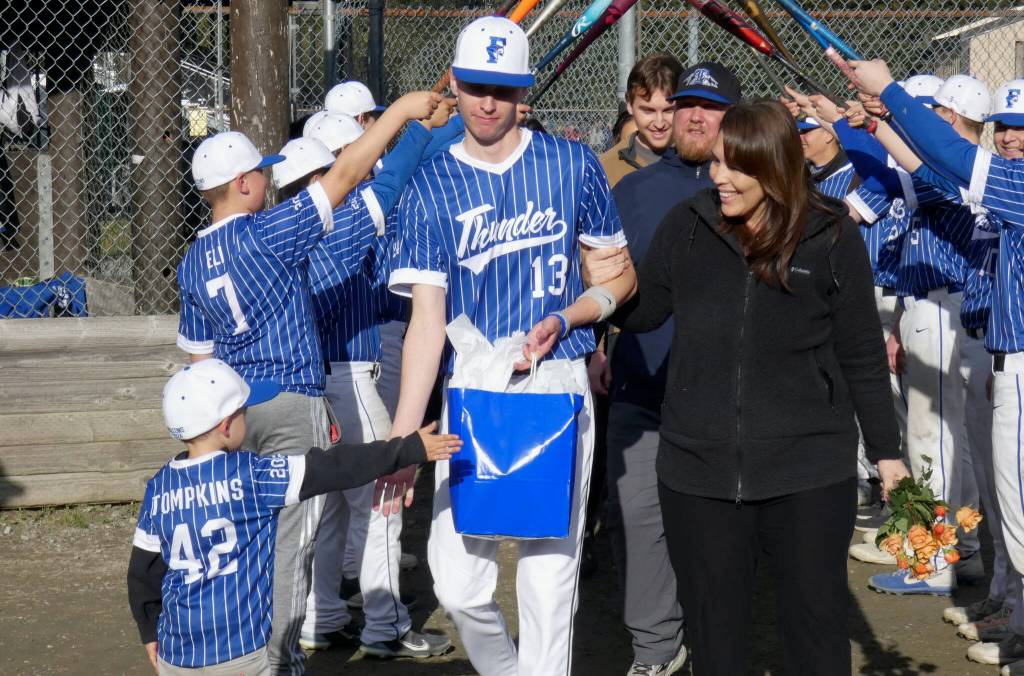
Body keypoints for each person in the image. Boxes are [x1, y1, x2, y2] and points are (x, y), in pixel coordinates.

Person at [611, 100, 906, 676]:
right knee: (715, 638)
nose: (716, 176)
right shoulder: (688, 224)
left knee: (816, 629)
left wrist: (887, 453)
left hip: (809, 469)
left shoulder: (830, 233)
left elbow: (861, 354)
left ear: (771, 165)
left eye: (732, 165)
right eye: (715, 162)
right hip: (698, 469)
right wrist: (604, 285)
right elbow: (644, 312)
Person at [383, 16, 636, 675]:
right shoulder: (430, 184)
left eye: (503, 88)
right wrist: (403, 439)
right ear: (455, 86)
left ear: (525, 90)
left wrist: (577, 317)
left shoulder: (571, 165)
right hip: (472, 385)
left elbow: (617, 275)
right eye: (475, 87)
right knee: (457, 582)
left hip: (556, 380)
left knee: (549, 578)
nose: (488, 103)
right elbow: (426, 322)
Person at [173, 90, 441, 675]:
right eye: (260, 174)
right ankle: (279, 662)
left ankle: (256, 644)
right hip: (294, 396)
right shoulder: (270, 232)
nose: (268, 183)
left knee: (262, 538)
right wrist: (403, 115)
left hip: (234, 411)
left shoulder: (191, 263)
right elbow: (350, 177)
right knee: (296, 542)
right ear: (243, 182)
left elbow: (199, 360)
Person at [849, 59, 1024, 667]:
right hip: (988, 343)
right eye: (1005, 125)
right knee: (1002, 501)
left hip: (993, 343)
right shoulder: (1004, 183)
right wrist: (880, 121)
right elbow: (929, 166)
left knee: (995, 491)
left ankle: (961, 571)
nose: (1010, 136)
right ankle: (1009, 606)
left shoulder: (1010, 185)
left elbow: (943, 161)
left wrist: (888, 96)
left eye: (1020, 127)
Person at [126, 359, 459, 676]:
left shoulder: (159, 487)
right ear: (226, 426)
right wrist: (409, 448)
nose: (248, 416)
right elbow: (335, 467)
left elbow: (143, 572)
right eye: (244, 411)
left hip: (176, 654)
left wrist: (149, 629)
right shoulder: (253, 476)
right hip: (238, 653)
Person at [273, 111, 462, 658]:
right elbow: (397, 174)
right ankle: (384, 626)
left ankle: (322, 616)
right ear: (319, 177)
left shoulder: (276, 232)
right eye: (344, 161)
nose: (355, 167)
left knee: (331, 505)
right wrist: (427, 123)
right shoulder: (334, 227)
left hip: (312, 383)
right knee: (383, 501)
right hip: (347, 379)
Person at [600, 60, 739, 676]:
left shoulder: (751, 192)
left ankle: (712, 643)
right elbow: (601, 280)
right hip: (641, 385)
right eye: (685, 105)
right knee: (636, 520)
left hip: (723, 398)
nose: (690, 116)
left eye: (709, 107)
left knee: (713, 533)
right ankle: (655, 650)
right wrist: (597, 348)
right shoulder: (631, 191)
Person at [600, 53, 683, 187]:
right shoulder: (605, 169)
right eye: (648, 111)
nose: (659, 123)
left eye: (669, 110)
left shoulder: (703, 162)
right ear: (629, 104)